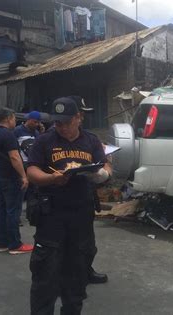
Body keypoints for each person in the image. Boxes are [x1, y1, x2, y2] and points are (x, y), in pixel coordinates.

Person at [27, 97, 111, 314]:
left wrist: (101, 175)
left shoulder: (91, 141)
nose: (61, 126)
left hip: (81, 216)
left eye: (66, 121)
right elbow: (32, 171)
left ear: (78, 118)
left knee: (77, 274)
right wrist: (51, 179)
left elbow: (105, 166)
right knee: (45, 275)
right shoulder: (44, 141)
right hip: (51, 215)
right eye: (57, 122)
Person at [67, 95, 108, 285]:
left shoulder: (90, 138)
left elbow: (104, 163)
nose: (82, 117)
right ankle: (64, 276)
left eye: (82, 114)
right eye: (80, 113)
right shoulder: (48, 140)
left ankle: (85, 271)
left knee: (87, 242)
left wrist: (104, 172)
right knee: (62, 242)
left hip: (84, 197)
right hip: (58, 200)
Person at [0, 108, 33, 254]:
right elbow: (15, 157)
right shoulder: (8, 135)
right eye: (14, 118)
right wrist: (23, 176)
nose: (15, 121)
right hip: (10, 178)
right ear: (8, 119)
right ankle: (15, 245)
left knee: (1, 210)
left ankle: (2, 243)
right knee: (13, 211)